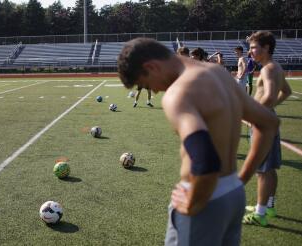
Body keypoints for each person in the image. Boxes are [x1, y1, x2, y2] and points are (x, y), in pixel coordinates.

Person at [117, 38, 279, 245]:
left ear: (152, 67)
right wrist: (241, 180)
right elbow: (269, 123)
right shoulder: (219, 73)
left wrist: (194, 203)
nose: (155, 91)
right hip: (234, 194)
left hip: (204, 200)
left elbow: (206, 161)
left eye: (146, 84)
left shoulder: (177, 94)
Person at [241, 31, 292, 227]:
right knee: (268, 168)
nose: (251, 51)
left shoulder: (268, 69)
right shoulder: (273, 67)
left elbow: (270, 95)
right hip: (266, 121)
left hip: (262, 124)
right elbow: (286, 91)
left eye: (254, 47)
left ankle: (260, 213)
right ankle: (267, 206)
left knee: (262, 170)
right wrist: (268, 111)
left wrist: (257, 113)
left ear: (267, 48)